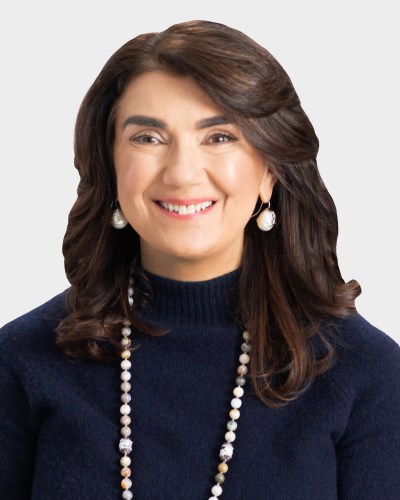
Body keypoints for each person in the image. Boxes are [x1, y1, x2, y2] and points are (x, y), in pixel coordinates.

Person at [0, 19, 399, 500]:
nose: (183, 173)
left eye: (220, 136)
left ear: (269, 170)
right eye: (148, 137)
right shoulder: (21, 359)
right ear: (110, 164)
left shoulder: (366, 373)